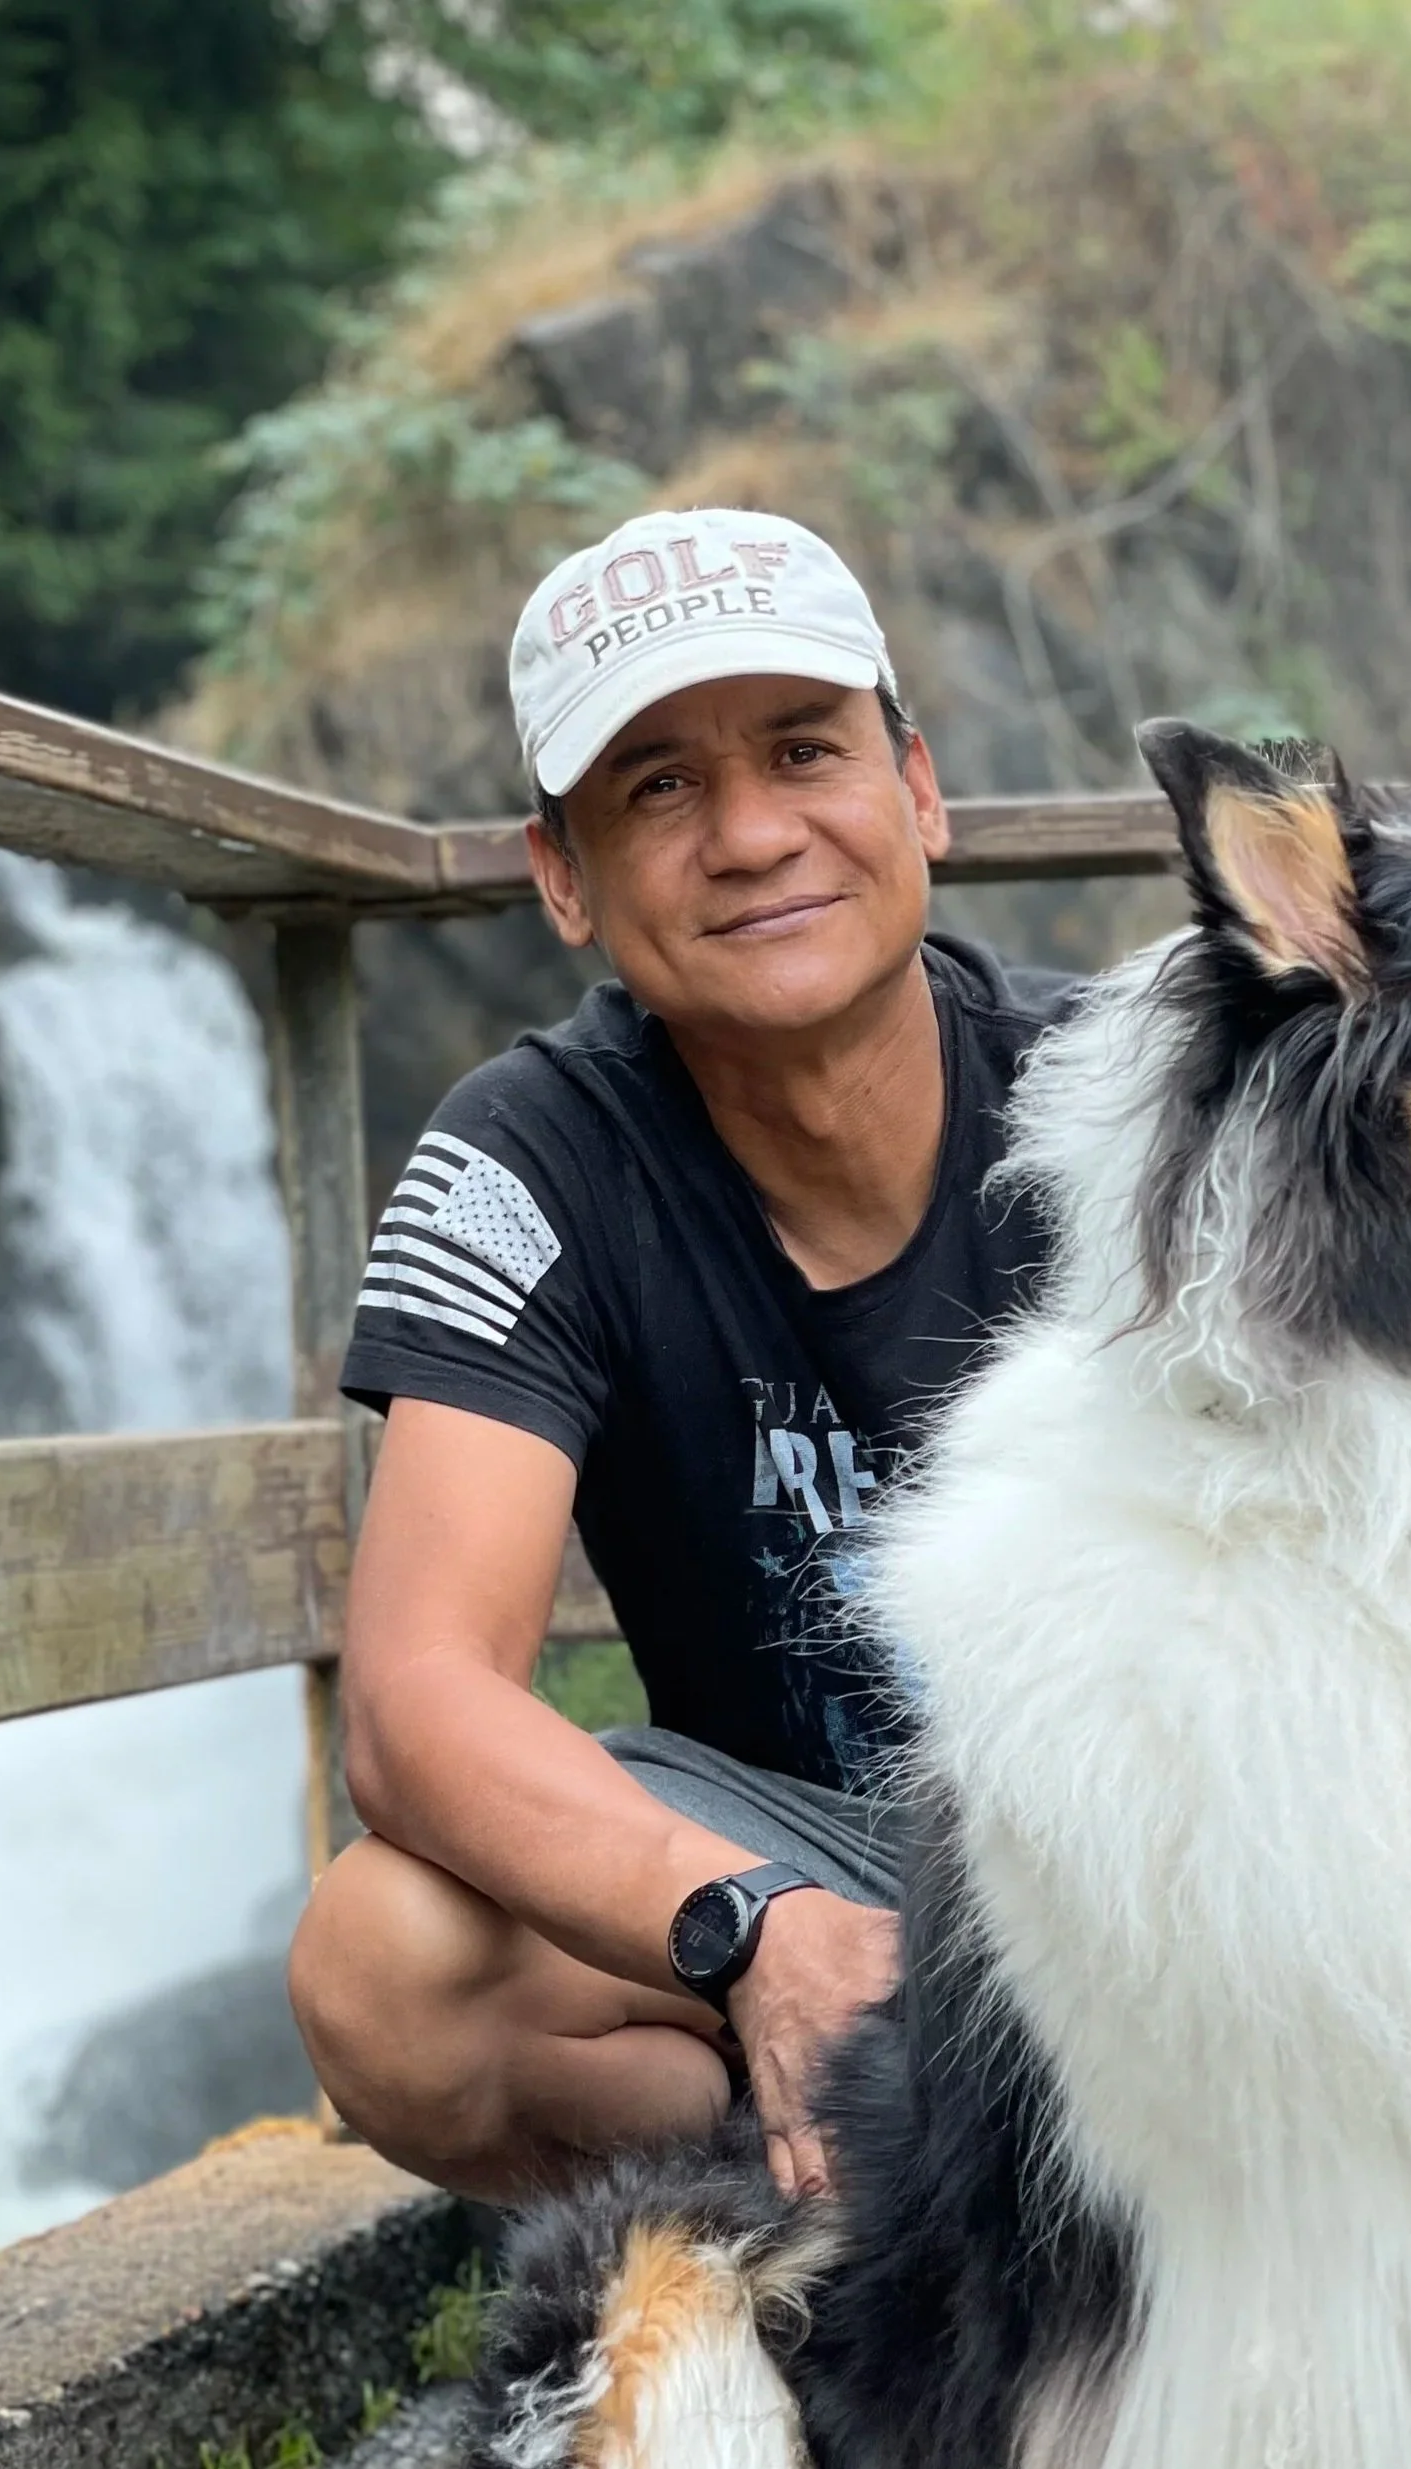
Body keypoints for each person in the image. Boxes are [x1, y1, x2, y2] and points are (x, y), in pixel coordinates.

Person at [286, 507, 1078, 2205]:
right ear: (561, 875)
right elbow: (417, 1697)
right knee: (389, 1966)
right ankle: (857, 2208)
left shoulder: (1130, 1100)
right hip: (803, 1859)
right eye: (657, 788)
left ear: (917, 789)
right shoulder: (527, 1159)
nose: (750, 835)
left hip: (1149, 1848)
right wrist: (750, 1931)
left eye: (806, 750)